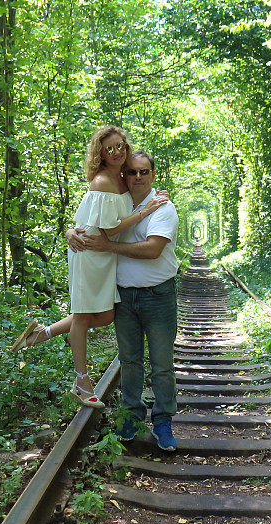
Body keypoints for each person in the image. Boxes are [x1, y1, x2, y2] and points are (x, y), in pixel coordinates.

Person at [9, 127, 168, 409]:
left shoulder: (122, 176)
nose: (117, 152)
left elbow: (91, 214)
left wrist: (152, 201)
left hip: (104, 252)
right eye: (110, 149)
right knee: (83, 316)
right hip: (90, 250)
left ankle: (40, 334)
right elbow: (110, 227)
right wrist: (146, 210)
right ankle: (81, 383)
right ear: (100, 153)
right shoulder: (103, 180)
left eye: (121, 146)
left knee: (106, 315)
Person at [67, 150, 179, 452]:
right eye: (132, 172)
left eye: (144, 172)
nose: (138, 177)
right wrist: (71, 232)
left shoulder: (162, 208)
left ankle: (163, 420)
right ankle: (131, 417)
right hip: (124, 296)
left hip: (159, 296)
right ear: (123, 175)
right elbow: (86, 223)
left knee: (161, 364)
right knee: (129, 361)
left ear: (153, 175)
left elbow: (153, 249)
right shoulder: (116, 201)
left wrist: (109, 246)